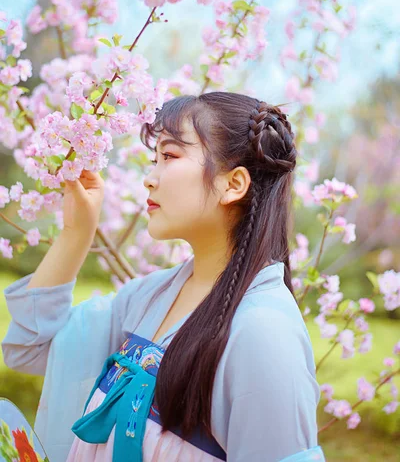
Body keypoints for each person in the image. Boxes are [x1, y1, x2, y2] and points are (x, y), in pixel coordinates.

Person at [2, 92, 326, 462]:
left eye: (169, 156)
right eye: (154, 159)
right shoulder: (147, 297)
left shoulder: (264, 331)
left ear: (233, 184)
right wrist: (76, 234)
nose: (149, 179)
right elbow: (30, 348)